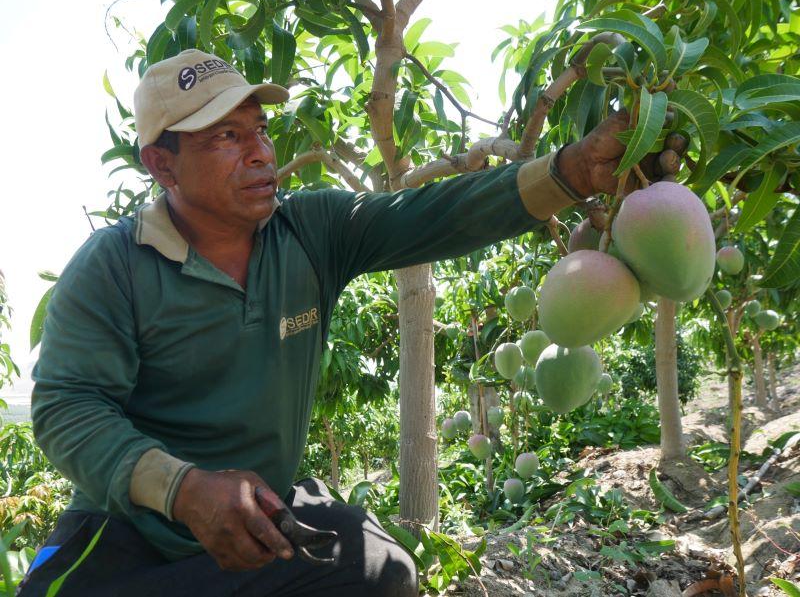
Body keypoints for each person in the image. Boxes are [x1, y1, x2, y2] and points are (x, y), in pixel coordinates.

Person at [17, 48, 643, 596]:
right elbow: (68, 407)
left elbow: (431, 214)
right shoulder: (115, 267)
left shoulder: (309, 234)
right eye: (225, 139)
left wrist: (569, 172)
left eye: (259, 131)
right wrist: (183, 489)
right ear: (162, 165)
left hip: (270, 519)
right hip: (138, 536)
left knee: (387, 575)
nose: (262, 154)